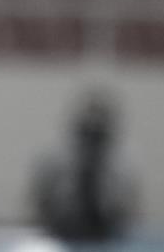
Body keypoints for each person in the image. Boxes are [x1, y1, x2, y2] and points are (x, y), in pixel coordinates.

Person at [30, 90, 138, 243]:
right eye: (87, 131)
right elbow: (40, 198)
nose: (92, 141)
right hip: (62, 232)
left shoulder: (123, 163)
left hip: (108, 235)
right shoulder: (54, 158)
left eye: (98, 133)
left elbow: (128, 207)